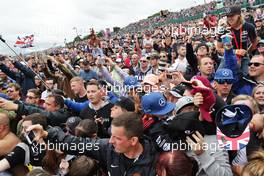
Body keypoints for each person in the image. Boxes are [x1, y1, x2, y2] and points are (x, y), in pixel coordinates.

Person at [26, 112, 158, 175]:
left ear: (133, 141)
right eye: (111, 135)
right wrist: (49, 134)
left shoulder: (155, 160)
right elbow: (77, 144)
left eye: (116, 138)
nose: (111, 141)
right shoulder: (107, 147)